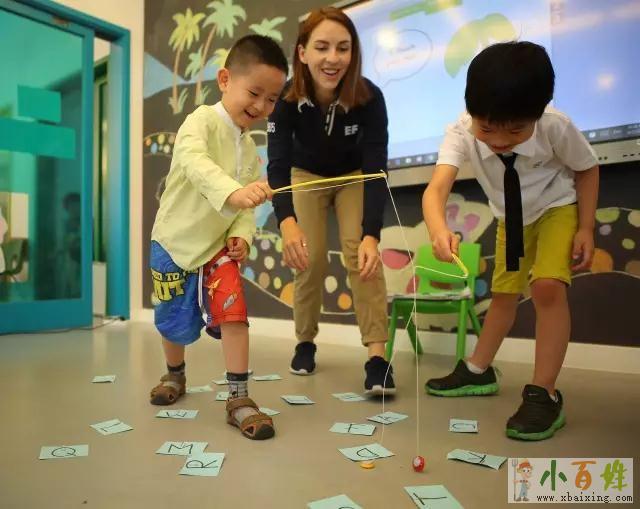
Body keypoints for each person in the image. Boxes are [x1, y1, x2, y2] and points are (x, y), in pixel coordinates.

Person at [423, 41, 599, 440]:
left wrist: (586, 227)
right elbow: (436, 189)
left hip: (557, 208)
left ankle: (543, 393)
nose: (500, 141)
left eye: (516, 130)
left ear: (537, 113)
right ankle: (478, 370)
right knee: (503, 293)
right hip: (511, 219)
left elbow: (587, 169)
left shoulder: (555, 125)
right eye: (487, 129)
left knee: (548, 287)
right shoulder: (461, 131)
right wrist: (437, 229)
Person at [149, 35, 288, 440]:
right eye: (255, 93)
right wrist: (233, 193)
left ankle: (239, 398)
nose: (261, 106)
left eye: (272, 99)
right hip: (174, 243)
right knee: (172, 322)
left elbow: (246, 208)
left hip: (217, 250)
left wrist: (242, 235)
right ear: (225, 80)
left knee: (235, 315)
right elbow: (194, 162)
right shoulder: (201, 122)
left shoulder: (250, 150)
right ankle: (175, 374)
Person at [267, 7, 395, 395]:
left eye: (343, 48)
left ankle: (377, 358)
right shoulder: (286, 99)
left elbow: (375, 170)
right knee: (310, 256)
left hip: (353, 175)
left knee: (361, 253)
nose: (333, 58)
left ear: (353, 53)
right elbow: (277, 165)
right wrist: (287, 222)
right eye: (322, 47)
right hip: (305, 175)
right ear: (302, 52)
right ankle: (305, 341)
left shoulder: (370, 98)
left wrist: (372, 234)